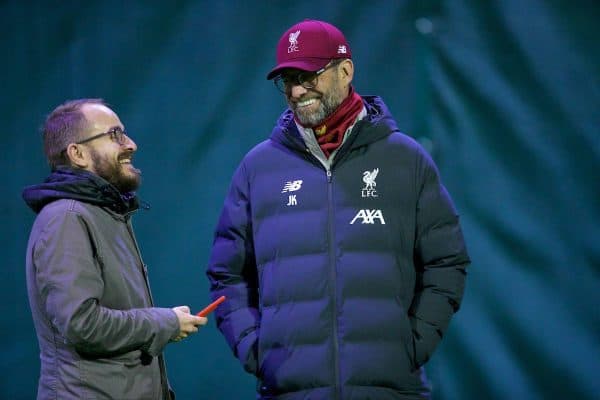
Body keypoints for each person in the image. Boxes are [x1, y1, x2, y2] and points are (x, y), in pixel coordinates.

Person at [206, 19, 470, 400]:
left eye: (309, 76)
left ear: (345, 71)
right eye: (288, 80)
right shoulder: (257, 167)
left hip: (390, 389)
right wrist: (259, 352)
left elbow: (447, 261)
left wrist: (411, 347)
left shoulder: (405, 159)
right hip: (290, 391)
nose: (297, 91)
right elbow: (227, 273)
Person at [23, 98, 207, 400]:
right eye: (114, 135)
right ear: (78, 153)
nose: (130, 144)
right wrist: (164, 323)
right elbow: (82, 324)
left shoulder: (103, 212)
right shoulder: (66, 218)